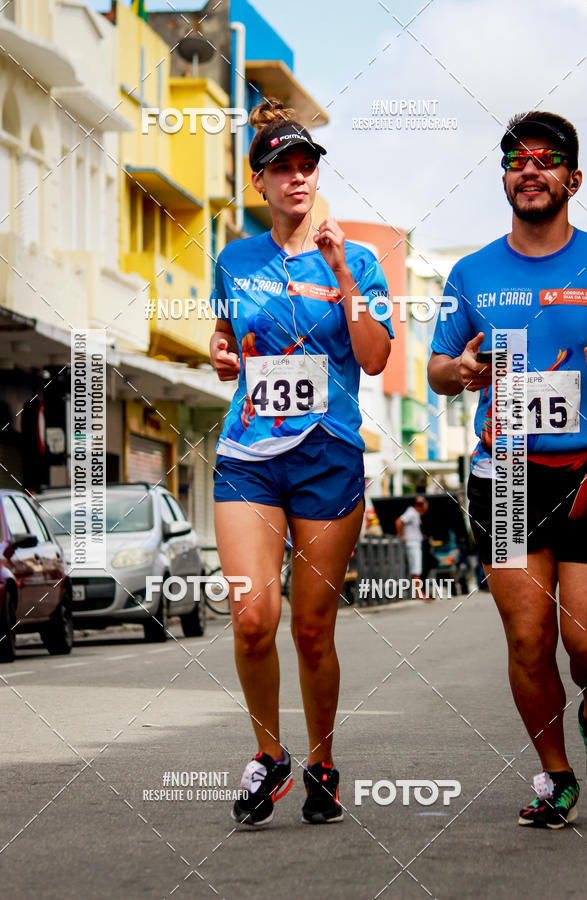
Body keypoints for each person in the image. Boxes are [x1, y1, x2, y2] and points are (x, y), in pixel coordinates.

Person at [209, 98, 394, 826]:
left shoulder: (359, 257)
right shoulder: (233, 259)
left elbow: (376, 358)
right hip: (248, 455)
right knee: (253, 615)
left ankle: (321, 759)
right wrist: (222, 355)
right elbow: (226, 346)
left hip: (327, 454)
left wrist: (343, 271)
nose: (295, 177)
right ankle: (270, 756)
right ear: (257, 183)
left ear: (316, 175)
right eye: (280, 167)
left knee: (313, 628)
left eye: (306, 165)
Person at [428, 110, 587, 829]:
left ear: (573, 176)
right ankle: (555, 775)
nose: (529, 169)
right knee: (529, 638)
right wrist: (459, 367)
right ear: (504, 177)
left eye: (545, 158)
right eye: (514, 159)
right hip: (505, 477)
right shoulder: (472, 272)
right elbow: (436, 367)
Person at [395, 496, 428, 598]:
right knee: (416, 569)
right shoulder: (411, 513)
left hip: (415, 542)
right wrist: (401, 535)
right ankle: (418, 593)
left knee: (416, 569)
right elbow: (399, 521)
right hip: (412, 544)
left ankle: (417, 592)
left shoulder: (415, 514)